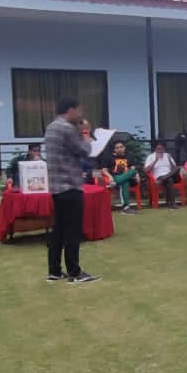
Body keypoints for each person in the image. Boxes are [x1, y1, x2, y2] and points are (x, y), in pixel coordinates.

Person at [42, 97, 98, 283]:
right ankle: (74, 272)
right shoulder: (67, 129)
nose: (80, 114)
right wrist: (85, 133)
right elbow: (85, 150)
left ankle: (54, 270)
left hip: (57, 186)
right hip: (70, 184)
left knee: (58, 229)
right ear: (70, 110)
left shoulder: (51, 127)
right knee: (73, 231)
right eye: (78, 110)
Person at [144, 141, 182, 209]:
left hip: (169, 176)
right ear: (155, 149)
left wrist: (170, 160)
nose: (160, 150)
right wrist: (155, 160)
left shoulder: (167, 155)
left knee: (178, 168)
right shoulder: (151, 157)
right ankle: (173, 204)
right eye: (158, 149)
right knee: (170, 180)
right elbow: (145, 170)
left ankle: (163, 179)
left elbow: (174, 169)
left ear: (164, 149)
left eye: (161, 149)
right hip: (159, 177)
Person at [107, 142, 140, 213]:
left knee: (133, 172)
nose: (119, 149)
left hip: (125, 176)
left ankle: (115, 183)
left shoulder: (129, 155)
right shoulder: (109, 157)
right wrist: (109, 176)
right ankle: (126, 207)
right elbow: (103, 169)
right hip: (115, 177)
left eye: (121, 147)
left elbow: (132, 168)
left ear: (124, 148)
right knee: (126, 182)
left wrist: (137, 175)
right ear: (114, 149)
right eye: (117, 148)